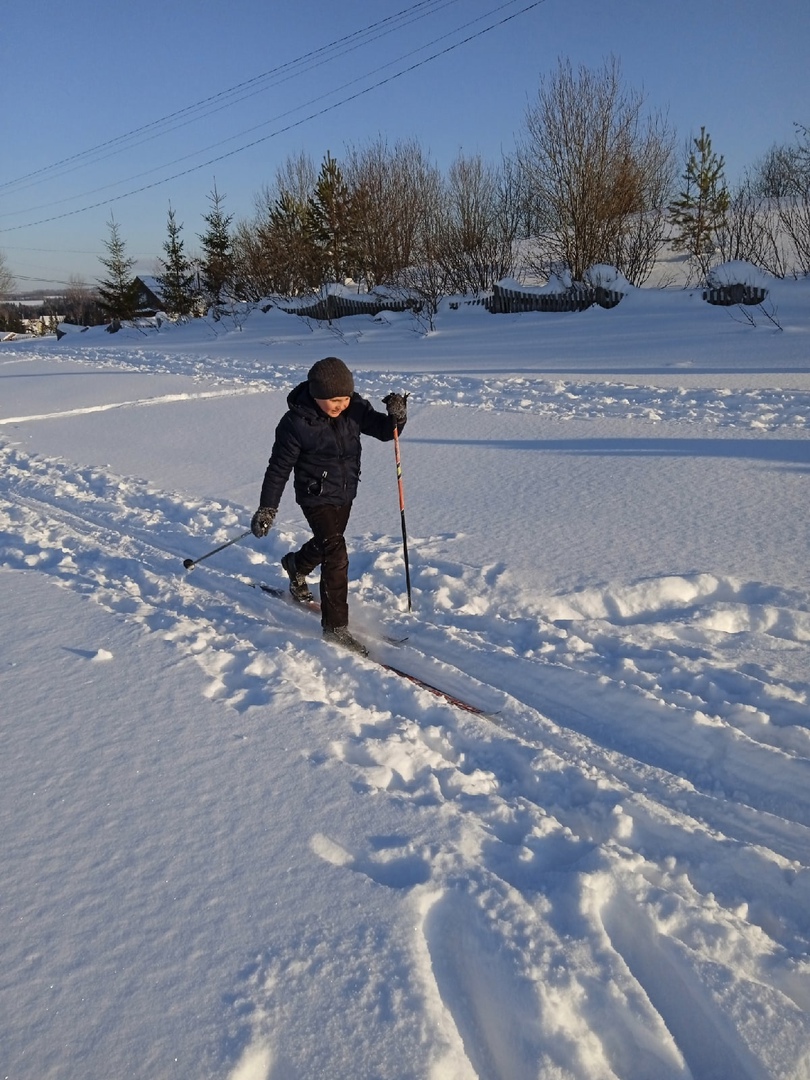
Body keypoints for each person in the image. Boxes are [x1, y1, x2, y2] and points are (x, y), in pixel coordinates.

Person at [251, 356, 407, 656]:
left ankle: (297, 565)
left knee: (326, 545)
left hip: (345, 492)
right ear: (316, 395)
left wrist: (397, 416)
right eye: (333, 400)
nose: (340, 406)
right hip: (314, 496)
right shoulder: (296, 423)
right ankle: (335, 627)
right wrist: (267, 507)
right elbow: (278, 468)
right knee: (336, 553)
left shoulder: (356, 409)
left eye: (345, 399)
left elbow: (387, 432)